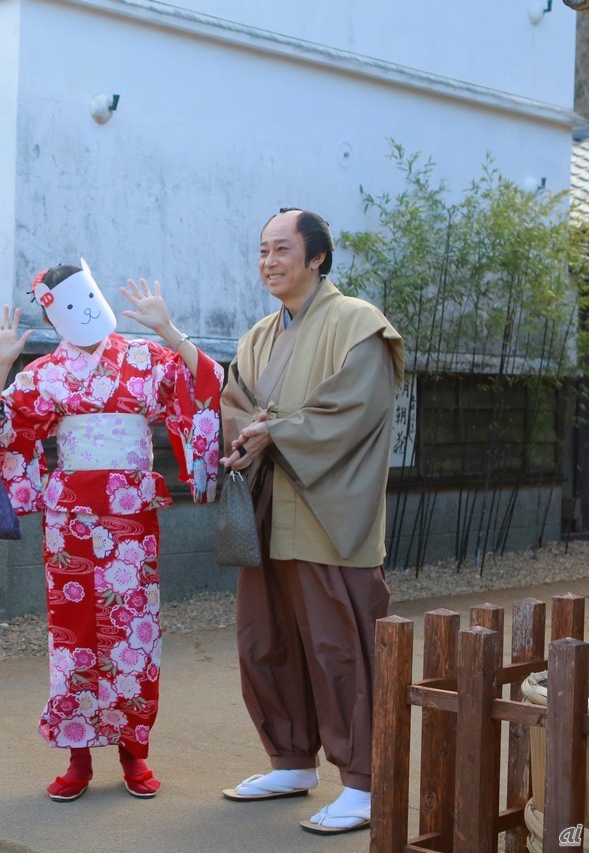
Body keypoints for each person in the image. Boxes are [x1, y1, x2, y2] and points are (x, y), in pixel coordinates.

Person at [0, 260, 222, 802]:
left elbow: (205, 384)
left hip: (131, 516)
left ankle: (134, 752)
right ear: (51, 316)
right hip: (72, 521)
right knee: (74, 635)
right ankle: (77, 756)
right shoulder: (44, 374)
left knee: (135, 631)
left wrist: (166, 329)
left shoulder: (146, 357)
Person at [218, 208, 404, 836]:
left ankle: (365, 781)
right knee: (266, 635)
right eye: (262, 250)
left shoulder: (358, 323)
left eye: (282, 249)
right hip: (270, 505)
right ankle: (291, 759)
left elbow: (358, 407)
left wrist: (279, 431)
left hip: (329, 509)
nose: (269, 261)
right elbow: (235, 401)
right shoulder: (257, 335)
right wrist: (246, 438)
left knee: (338, 643)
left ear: (318, 257)